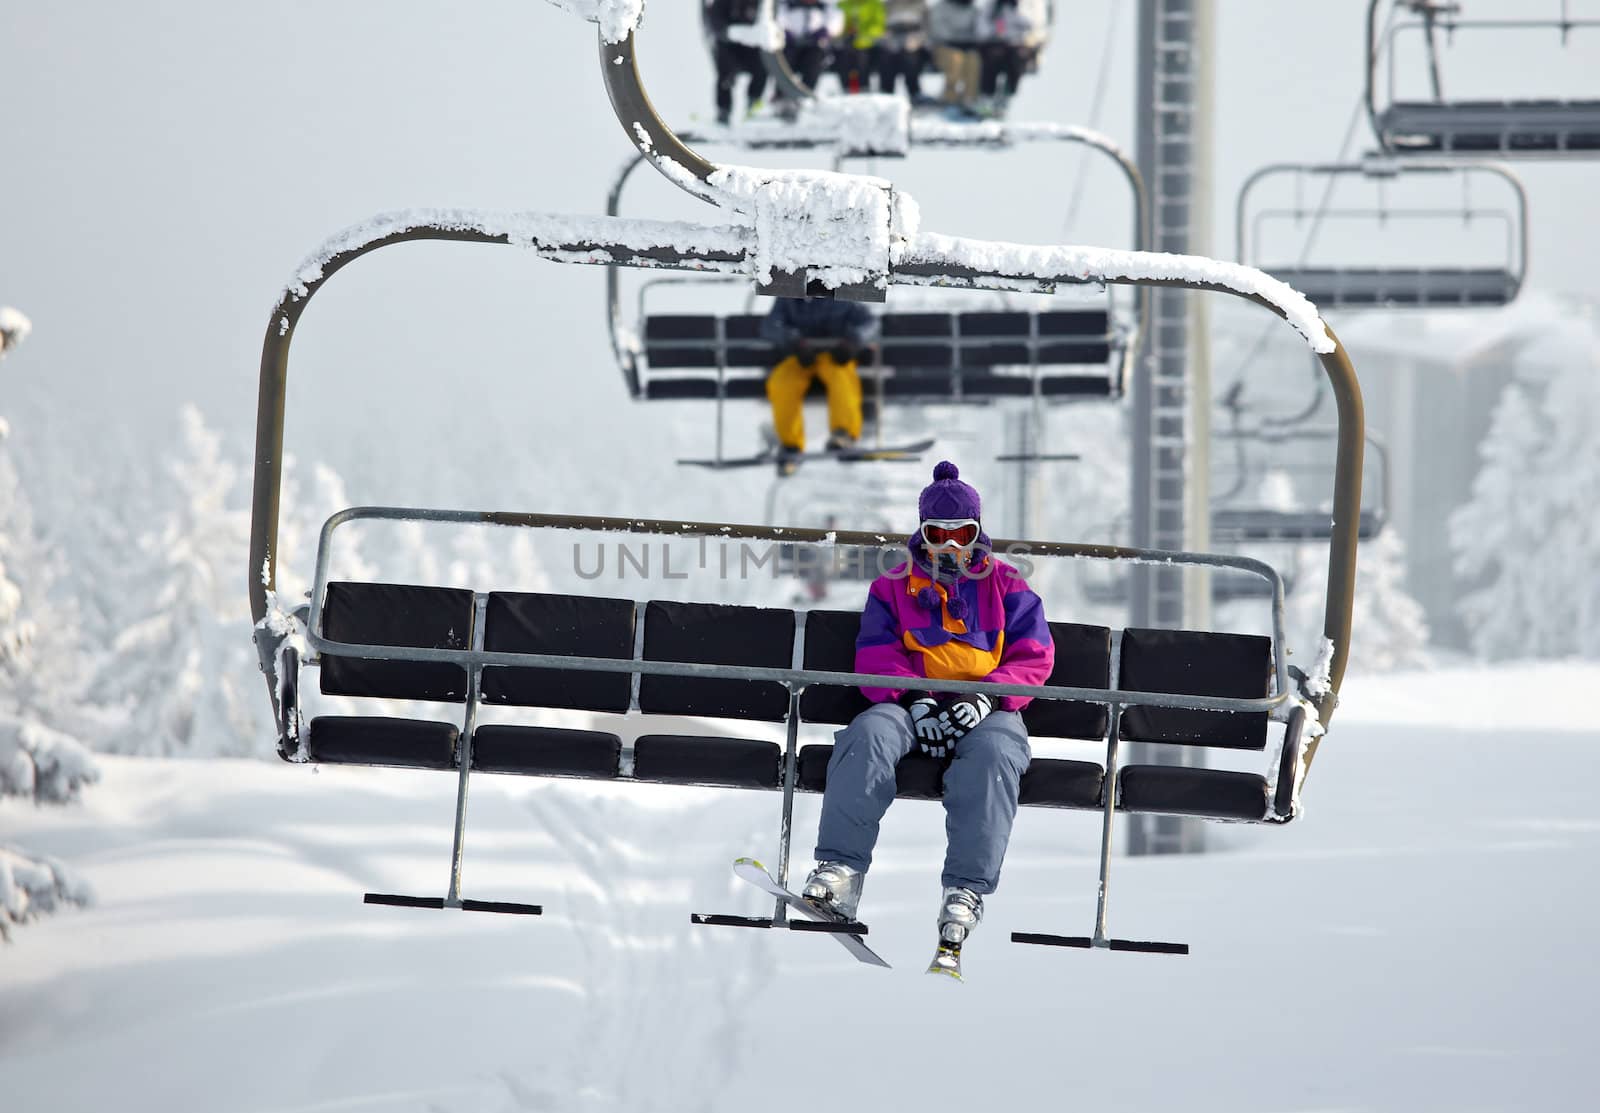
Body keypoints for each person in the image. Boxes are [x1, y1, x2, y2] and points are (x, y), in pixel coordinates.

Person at [802, 461, 1055, 953]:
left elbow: (1033, 656)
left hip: (988, 712)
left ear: (977, 532)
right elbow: (877, 652)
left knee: (996, 755)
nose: (950, 546)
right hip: (909, 706)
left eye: (962, 533)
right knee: (869, 734)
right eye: (938, 533)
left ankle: (966, 888)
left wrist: (985, 698)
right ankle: (841, 870)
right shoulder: (893, 586)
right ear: (922, 533)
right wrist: (915, 697)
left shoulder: (1007, 585)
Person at [761, 296, 876, 476]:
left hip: (834, 355)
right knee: (782, 383)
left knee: (842, 379)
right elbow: (771, 325)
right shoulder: (789, 296)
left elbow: (869, 323)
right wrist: (794, 342)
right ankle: (791, 445)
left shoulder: (841, 292)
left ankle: (843, 434)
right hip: (801, 357)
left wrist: (852, 341)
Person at [707, 0, 771, 125]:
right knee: (725, 74)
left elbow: (767, 23)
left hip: (752, 47)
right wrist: (730, 33)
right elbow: (715, 23)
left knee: (763, 67)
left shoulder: (761, 3)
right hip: (728, 45)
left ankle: (753, 103)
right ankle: (723, 110)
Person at [978, 0, 1046, 111]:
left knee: (1015, 60)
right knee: (992, 60)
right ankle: (987, 98)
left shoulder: (1028, 6)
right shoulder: (993, 7)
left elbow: (1034, 27)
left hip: (1017, 46)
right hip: (994, 44)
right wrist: (995, 32)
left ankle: (1007, 97)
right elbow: (982, 28)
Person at [929, 0, 982, 115]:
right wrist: (958, 40)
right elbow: (939, 31)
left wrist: (969, 41)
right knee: (955, 59)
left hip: (967, 48)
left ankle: (969, 99)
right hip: (944, 47)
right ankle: (950, 98)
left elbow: (979, 30)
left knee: (974, 59)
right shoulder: (940, 7)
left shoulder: (973, 9)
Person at [878, 0, 931, 101]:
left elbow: (927, 27)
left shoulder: (920, 4)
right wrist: (886, 39)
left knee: (911, 57)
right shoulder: (886, 5)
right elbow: (879, 27)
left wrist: (918, 40)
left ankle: (914, 91)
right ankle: (886, 90)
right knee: (886, 56)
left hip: (914, 37)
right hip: (891, 37)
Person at [833, 0, 887, 94]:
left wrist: (862, 34)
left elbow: (878, 26)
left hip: (867, 44)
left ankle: (864, 88)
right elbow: (837, 25)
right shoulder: (843, 4)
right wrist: (843, 34)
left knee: (862, 63)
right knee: (843, 61)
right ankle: (847, 89)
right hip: (846, 43)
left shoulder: (874, 4)